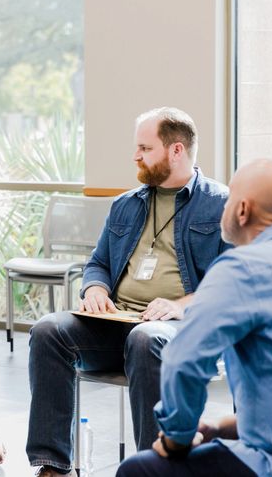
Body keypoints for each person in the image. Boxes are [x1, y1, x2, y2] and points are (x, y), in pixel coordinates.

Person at [27, 107, 230, 476]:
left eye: (144, 148)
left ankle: (153, 467)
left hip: (180, 329)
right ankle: (52, 466)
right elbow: (98, 262)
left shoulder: (220, 204)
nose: (135, 156)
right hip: (118, 322)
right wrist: (94, 289)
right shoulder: (125, 205)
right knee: (47, 330)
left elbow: (230, 282)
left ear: (176, 150)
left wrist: (180, 304)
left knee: (145, 337)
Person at [116, 157, 272, 477]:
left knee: (139, 469)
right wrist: (217, 427)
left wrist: (178, 437)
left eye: (230, 197)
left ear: (242, 209)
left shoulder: (243, 268)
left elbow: (185, 362)